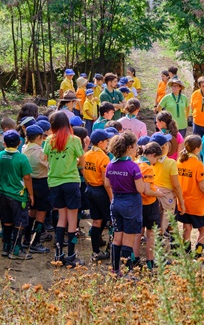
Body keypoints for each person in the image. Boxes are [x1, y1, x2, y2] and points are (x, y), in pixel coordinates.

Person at [44, 111, 86, 267]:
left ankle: (58, 253)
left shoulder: (48, 140)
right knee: (72, 220)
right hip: (71, 182)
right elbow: (81, 162)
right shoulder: (74, 140)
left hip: (54, 182)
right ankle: (71, 255)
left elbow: (47, 160)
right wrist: (72, 162)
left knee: (61, 218)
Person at [104, 132, 145, 275]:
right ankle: (127, 273)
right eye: (135, 146)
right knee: (128, 240)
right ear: (129, 147)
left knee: (117, 238)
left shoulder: (111, 164)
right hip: (131, 204)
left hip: (116, 203)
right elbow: (140, 189)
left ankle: (115, 270)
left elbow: (107, 183)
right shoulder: (133, 167)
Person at [0, 130, 34, 260]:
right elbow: (27, 177)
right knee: (20, 222)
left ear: (4, 143)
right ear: (19, 142)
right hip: (18, 195)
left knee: (6, 221)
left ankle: (6, 246)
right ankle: (17, 250)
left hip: (2, 193)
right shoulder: (22, 158)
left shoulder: (0, 155)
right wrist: (31, 194)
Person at [83, 129, 115, 262]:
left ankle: (95, 251)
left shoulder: (87, 154)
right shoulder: (103, 157)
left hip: (90, 189)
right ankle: (109, 250)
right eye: (107, 141)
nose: (107, 143)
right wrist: (112, 198)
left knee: (96, 221)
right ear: (101, 142)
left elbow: (84, 174)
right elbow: (105, 181)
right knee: (111, 221)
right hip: (101, 192)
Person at [21, 125, 51, 254]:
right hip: (42, 183)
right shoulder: (40, 152)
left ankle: (26, 238)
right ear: (39, 137)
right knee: (41, 213)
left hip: (29, 183)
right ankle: (36, 241)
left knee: (31, 211)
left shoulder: (23, 149)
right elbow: (50, 165)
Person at [150, 132, 185, 236]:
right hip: (167, 196)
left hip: (154, 193)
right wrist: (181, 202)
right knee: (164, 226)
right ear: (164, 146)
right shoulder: (171, 163)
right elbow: (176, 185)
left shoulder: (150, 161)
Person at [136, 139, 163, 269]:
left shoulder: (135, 163)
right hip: (149, 205)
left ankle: (134, 260)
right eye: (156, 159)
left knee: (137, 234)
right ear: (152, 155)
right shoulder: (148, 168)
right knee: (151, 235)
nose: (156, 162)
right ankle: (150, 261)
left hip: (137, 204)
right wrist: (159, 194)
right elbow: (147, 191)